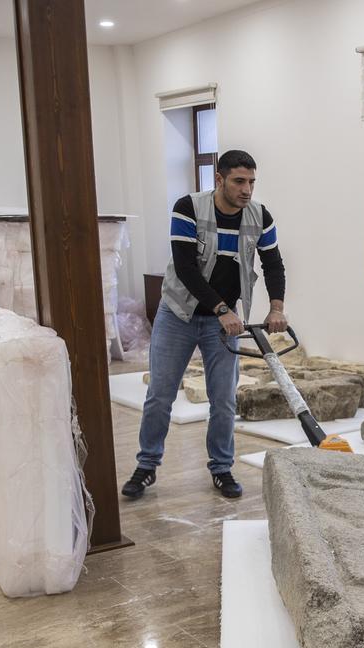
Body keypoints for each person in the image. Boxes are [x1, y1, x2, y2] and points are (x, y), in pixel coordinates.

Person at [122, 149, 286, 500]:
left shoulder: (260, 216)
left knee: (224, 399)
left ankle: (222, 469)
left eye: (252, 182)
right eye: (239, 181)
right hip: (178, 314)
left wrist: (276, 307)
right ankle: (147, 465)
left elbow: (273, 264)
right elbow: (186, 268)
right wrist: (223, 309)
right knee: (160, 395)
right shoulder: (188, 208)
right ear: (219, 179)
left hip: (221, 324)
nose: (246, 190)